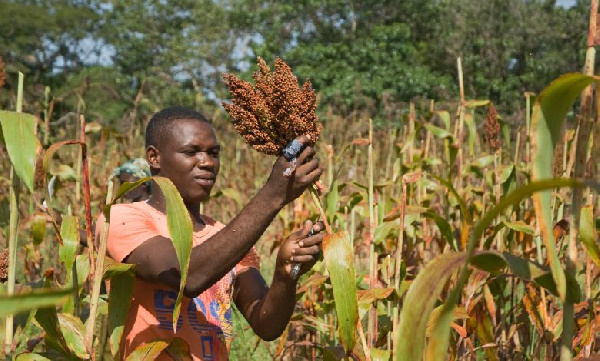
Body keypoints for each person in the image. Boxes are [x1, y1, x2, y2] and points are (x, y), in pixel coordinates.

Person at [98, 106, 324, 360]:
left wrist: (286, 273)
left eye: (213, 153)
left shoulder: (227, 236)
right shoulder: (122, 218)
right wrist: (273, 195)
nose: (207, 163)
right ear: (154, 157)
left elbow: (267, 325)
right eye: (191, 152)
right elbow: (188, 276)